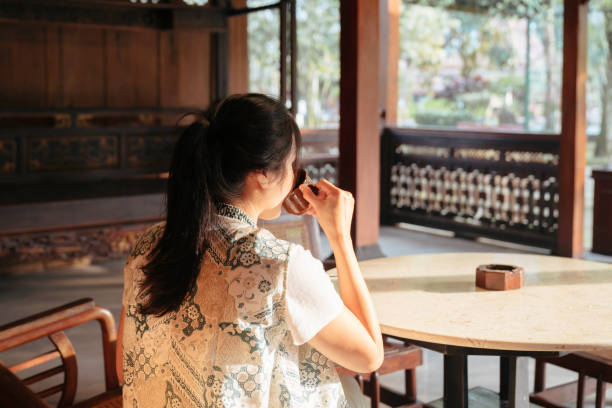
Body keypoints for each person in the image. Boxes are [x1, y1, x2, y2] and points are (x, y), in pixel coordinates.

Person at [116, 93, 383, 407]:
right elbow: (369, 357)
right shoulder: (280, 264)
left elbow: (124, 368)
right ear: (263, 173)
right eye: (293, 167)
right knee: (351, 391)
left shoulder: (150, 243)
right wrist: (340, 238)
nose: (296, 178)